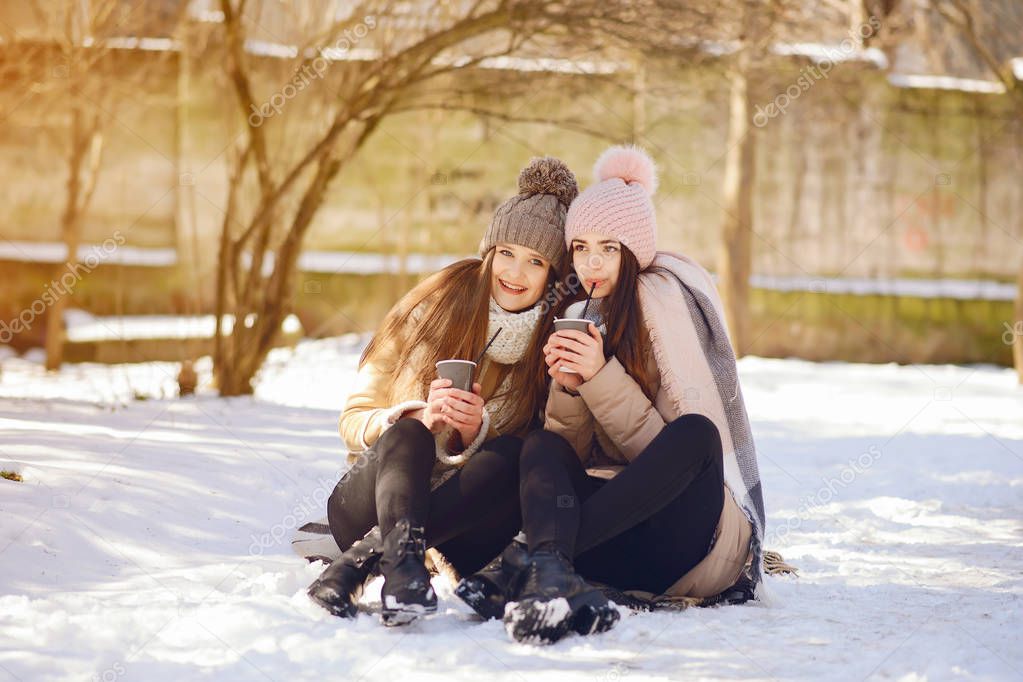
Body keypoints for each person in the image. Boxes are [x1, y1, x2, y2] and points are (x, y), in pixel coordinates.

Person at [457, 146, 767, 645]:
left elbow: (673, 465)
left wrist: (602, 377)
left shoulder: (667, 313)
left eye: (607, 246)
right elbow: (569, 456)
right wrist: (571, 388)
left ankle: (523, 563)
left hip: (684, 538)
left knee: (696, 434)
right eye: (579, 247)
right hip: (607, 543)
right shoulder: (576, 312)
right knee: (541, 446)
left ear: (633, 249)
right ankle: (548, 568)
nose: (591, 261)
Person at [307, 157, 579, 626]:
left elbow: (533, 464)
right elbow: (353, 419)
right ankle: (394, 559)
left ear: (552, 276)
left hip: (459, 524)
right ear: (489, 250)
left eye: (536, 262)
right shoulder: (436, 301)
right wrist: (410, 418)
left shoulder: (548, 343)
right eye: (507, 253)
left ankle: (380, 566)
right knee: (410, 434)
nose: (516, 272)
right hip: (371, 499)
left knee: (515, 451)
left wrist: (473, 434)